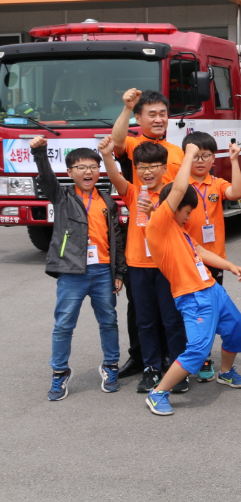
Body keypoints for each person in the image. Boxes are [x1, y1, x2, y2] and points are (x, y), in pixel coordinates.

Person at [143, 143, 241, 416]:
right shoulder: (158, 226)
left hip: (211, 289)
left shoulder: (180, 232)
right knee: (199, 349)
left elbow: (201, 252)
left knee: (235, 326)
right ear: (174, 207)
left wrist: (230, 265)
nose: (189, 216)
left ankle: (226, 372)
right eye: (187, 211)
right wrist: (189, 155)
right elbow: (177, 190)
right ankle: (158, 393)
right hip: (192, 296)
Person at [32, 137, 125, 401]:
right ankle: (60, 373)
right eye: (81, 167)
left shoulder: (108, 202)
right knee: (63, 325)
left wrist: (119, 273)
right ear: (70, 173)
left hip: (103, 272)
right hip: (72, 273)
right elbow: (47, 179)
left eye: (93, 167)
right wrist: (40, 153)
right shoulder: (62, 196)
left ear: (99, 171)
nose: (88, 172)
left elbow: (117, 238)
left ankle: (111, 366)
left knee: (108, 322)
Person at [99, 138, 187, 395]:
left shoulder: (173, 194)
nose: (147, 172)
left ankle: (177, 368)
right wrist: (107, 155)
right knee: (145, 321)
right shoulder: (134, 193)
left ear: (163, 167)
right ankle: (151, 368)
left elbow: (177, 227)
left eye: (153, 166)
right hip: (137, 266)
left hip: (166, 266)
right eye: (141, 167)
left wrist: (153, 213)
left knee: (172, 320)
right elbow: (115, 176)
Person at [110, 88, 183, 379]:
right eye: (151, 114)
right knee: (138, 309)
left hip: (169, 239)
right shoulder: (133, 144)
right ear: (139, 117)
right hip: (139, 237)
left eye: (162, 114)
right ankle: (140, 358)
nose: (158, 119)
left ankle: (169, 358)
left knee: (171, 306)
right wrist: (126, 107)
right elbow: (116, 141)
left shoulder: (177, 152)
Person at [180, 131, 241, 383]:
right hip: (187, 260)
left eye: (205, 156)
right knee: (190, 313)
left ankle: (206, 357)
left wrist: (235, 161)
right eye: (194, 156)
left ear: (213, 159)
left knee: (211, 311)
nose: (200, 161)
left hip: (214, 258)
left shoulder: (217, 184)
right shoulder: (180, 186)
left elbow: (238, 192)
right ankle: (195, 356)